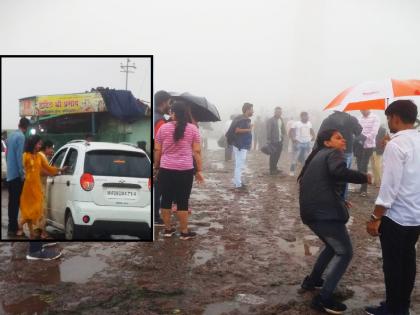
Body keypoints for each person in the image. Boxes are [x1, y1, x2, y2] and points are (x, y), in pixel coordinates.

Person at [298, 129, 370, 314]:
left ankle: (312, 281)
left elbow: (322, 183)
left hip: (312, 212)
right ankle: (323, 299)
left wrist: (339, 198)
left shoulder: (319, 155)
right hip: (324, 214)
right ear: (327, 143)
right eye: (338, 138)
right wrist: (364, 177)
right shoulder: (333, 153)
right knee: (345, 252)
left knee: (332, 247)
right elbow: (338, 171)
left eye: (342, 136)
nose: (343, 139)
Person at [365, 100, 420, 315]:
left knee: (393, 265)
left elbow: (389, 187)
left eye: (389, 118)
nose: (388, 122)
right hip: (416, 216)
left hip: (396, 218)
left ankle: (393, 309)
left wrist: (375, 217)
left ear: (396, 117)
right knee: (407, 262)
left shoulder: (396, 145)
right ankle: (401, 306)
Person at [154, 100, 204, 240]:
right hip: (185, 170)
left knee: (166, 201)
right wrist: (199, 170)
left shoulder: (163, 128)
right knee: (183, 201)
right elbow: (197, 152)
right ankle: (184, 232)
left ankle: (168, 230)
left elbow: (157, 149)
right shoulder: (193, 129)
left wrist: (156, 166)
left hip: (166, 169)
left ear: (173, 113)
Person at [19, 135, 66, 239]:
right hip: (28, 188)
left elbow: (48, 168)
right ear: (33, 143)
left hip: (37, 187)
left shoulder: (39, 157)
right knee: (29, 211)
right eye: (39, 143)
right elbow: (22, 168)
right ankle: (29, 231)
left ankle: (25, 227)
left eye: (41, 144)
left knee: (37, 210)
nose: (40, 146)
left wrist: (59, 170)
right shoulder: (25, 155)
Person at [318, 110, 363, 198]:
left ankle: (332, 198)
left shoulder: (328, 119)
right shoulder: (351, 119)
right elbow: (358, 131)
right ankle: (342, 199)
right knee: (344, 176)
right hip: (347, 150)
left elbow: (320, 135)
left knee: (331, 176)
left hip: (331, 151)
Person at [6, 117, 30, 237]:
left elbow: (7, 155)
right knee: (17, 202)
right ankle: (16, 228)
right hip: (16, 176)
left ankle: (11, 227)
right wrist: (22, 174)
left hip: (10, 175)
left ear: (19, 124)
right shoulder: (21, 137)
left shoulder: (10, 136)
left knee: (12, 203)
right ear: (26, 127)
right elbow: (19, 157)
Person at [153, 90, 172, 226]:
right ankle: (155, 217)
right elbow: (162, 142)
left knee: (157, 188)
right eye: (169, 102)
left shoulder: (158, 117)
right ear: (163, 102)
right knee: (158, 189)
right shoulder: (159, 120)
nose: (170, 105)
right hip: (157, 158)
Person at [226, 103, 253, 190]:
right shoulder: (244, 119)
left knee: (239, 164)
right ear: (247, 110)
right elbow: (237, 130)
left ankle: (238, 181)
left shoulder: (240, 118)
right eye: (252, 109)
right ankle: (238, 184)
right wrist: (249, 129)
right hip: (241, 145)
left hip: (238, 144)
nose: (253, 111)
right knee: (239, 164)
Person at [357, 110, 380, 196]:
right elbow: (357, 131)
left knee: (363, 165)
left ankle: (364, 189)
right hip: (359, 145)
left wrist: (364, 138)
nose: (362, 111)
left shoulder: (375, 117)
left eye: (364, 109)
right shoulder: (359, 118)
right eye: (361, 110)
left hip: (369, 145)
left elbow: (374, 132)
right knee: (359, 166)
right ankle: (361, 185)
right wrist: (358, 138)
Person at [36, 139, 55, 239]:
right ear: (46, 148)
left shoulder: (43, 156)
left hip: (39, 186)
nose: (52, 150)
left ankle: (37, 231)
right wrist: (54, 173)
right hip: (39, 186)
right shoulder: (41, 156)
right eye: (51, 148)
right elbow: (41, 172)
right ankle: (42, 233)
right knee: (42, 210)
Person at [289, 111, 315, 176]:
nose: (306, 117)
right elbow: (291, 131)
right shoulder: (296, 123)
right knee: (295, 158)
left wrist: (314, 136)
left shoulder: (309, 123)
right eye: (305, 116)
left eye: (307, 116)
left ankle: (305, 172)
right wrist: (293, 138)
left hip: (307, 143)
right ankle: (292, 171)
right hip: (299, 143)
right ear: (301, 117)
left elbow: (311, 130)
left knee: (306, 158)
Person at [266, 107, 286, 175]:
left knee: (278, 155)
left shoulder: (281, 119)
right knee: (273, 156)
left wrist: (283, 135)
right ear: (274, 112)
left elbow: (283, 129)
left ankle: (275, 168)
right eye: (277, 112)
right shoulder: (271, 120)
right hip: (273, 141)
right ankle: (272, 170)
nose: (279, 113)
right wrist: (269, 140)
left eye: (280, 112)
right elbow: (268, 131)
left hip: (280, 141)